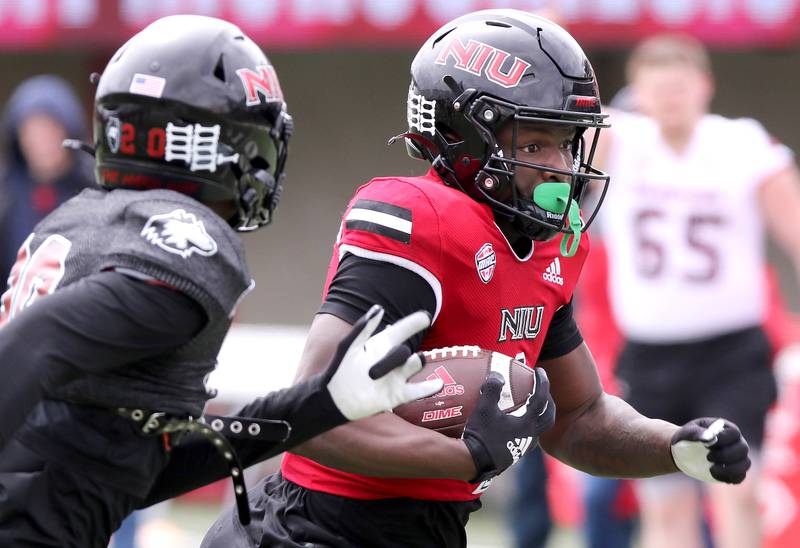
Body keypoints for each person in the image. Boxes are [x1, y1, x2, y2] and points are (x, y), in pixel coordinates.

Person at [198, 10, 753, 548]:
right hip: (318, 529)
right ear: (461, 139)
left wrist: (671, 444)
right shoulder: (421, 217)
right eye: (533, 144)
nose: (558, 164)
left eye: (566, 141)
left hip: (432, 528)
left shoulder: (548, 246)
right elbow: (313, 415)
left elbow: (579, 416)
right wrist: (467, 456)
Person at [0, 15, 450, 548]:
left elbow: (131, 473)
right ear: (206, 142)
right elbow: (35, 343)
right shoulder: (185, 245)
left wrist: (321, 403)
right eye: (252, 139)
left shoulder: (84, 219)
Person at [589, 34, 800, 548]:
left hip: (730, 348)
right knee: (665, 504)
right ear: (636, 91)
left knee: (736, 490)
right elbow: (562, 117)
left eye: (680, 86)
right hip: (650, 353)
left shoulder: (742, 144)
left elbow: (793, 225)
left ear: (705, 86)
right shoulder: (619, 142)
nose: (670, 97)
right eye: (657, 87)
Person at [0, 74, 94, 279]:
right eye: (31, 131)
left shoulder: (94, 190)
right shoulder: (6, 193)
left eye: (50, 129)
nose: (41, 141)